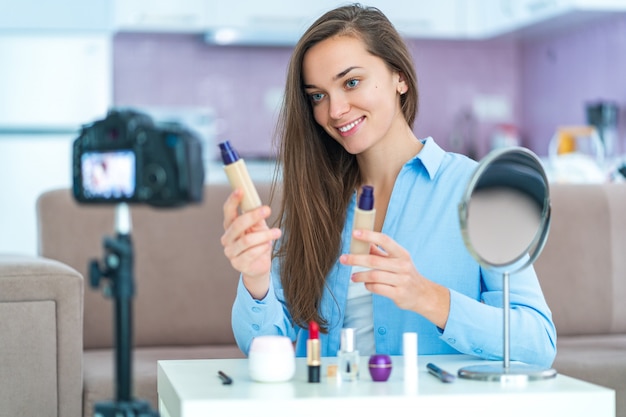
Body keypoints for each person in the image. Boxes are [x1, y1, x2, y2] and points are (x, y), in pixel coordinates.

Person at [220, 3, 556, 368]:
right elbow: (264, 349)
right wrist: (256, 280)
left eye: (351, 82)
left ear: (400, 77)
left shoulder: (477, 189)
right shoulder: (314, 199)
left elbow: (537, 342)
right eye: (318, 95)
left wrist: (428, 296)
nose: (334, 110)